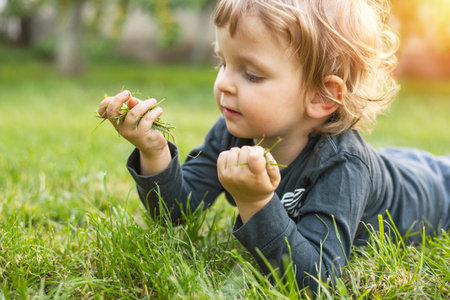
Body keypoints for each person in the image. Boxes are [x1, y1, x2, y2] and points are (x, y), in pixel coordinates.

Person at [97, 0, 450, 292]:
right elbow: (178, 211)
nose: (224, 84)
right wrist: (154, 152)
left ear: (321, 96)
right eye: (223, 62)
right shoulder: (232, 132)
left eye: (251, 74)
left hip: (437, 188)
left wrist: (255, 202)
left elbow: (316, 280)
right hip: (396, 164)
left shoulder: (343, 166)